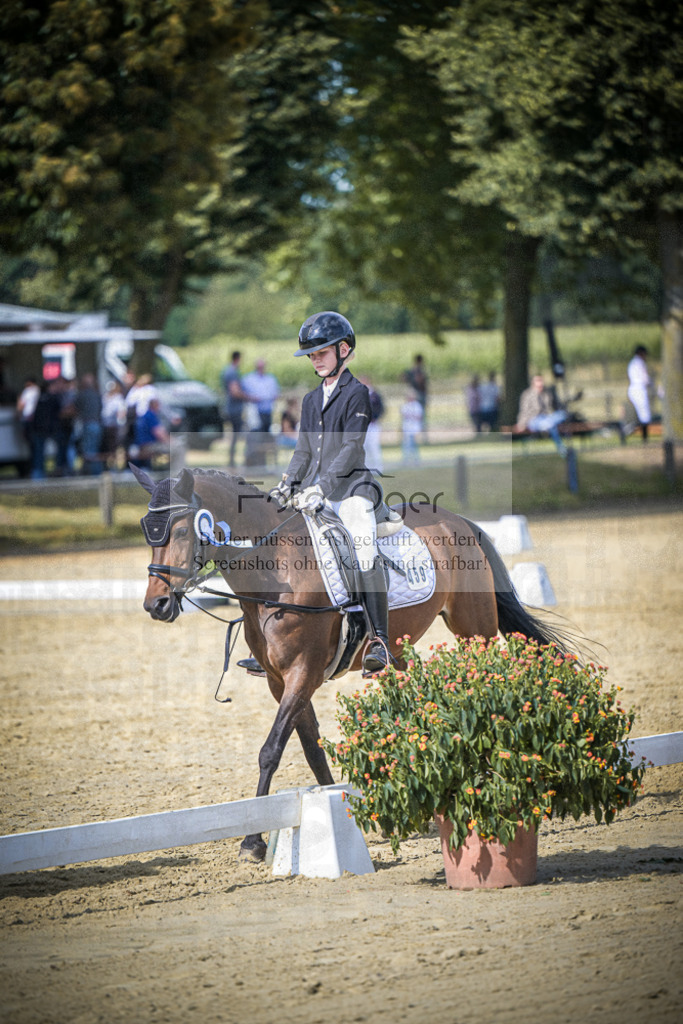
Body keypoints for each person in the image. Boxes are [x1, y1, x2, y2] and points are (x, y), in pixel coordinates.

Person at [269, 311, 394, 674]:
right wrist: (288, 484)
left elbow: (351, 448)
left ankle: (379, 640)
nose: (315, 359)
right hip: (314, 491)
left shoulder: (358, 394)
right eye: (311, 355)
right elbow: (304, 453)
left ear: (343, 350)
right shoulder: (310, 401)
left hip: (353, 488)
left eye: (321, 352)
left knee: (361, 538)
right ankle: (275, 641)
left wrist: (322, 487)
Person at [516, 374, 569, 455]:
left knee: (562, 415)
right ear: (533, 383)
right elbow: (524, 411)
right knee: (552, 425)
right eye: (538, 381)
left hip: (547, 418)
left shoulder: (547, 393)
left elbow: (557, 406)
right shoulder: (527, 394)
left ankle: (547, 424)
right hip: (534, 419)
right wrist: (521, 423)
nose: (540, 383)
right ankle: (560, 447)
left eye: (541, 381)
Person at [221, 351, 249, 468]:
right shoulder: (232, 372)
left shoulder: (226, 370)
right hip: (234, 409)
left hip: (230, 408)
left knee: (235, 435)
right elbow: (235, 392)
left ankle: (232, 460)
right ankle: (233, 461)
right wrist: (249, 397)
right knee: (239, 434)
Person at [242, 359, 280, 434]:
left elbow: (276, 393)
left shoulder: (271, 379)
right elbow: (242, 394)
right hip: (254, 411)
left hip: (268, 410)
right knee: (256, 432)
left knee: (266, 432)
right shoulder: (248, 379)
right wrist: (252, 398)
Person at [75, 374, 103, 475]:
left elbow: (74, 408)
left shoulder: (82, 395)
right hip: (97, 425)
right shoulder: (97, 394)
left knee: (89, 452)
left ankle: (94, 475)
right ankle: (95, 473)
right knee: (94, 450)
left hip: (87, 424)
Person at [131, 396, 170, 468]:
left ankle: (166, 470)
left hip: (141, 445)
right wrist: (171, 442)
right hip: (148, 446)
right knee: (178, 448)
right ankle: (176, 473)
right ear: (155, 405)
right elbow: (159, 434)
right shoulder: (151, 416)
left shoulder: (144, 415)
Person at [626, 345, 652, 441]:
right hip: (639, 389)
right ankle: (644, 438)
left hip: (633, 388)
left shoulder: (632, 363)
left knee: (641, 414)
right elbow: (645, 379)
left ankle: (642, 436)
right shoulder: (640, 363)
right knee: (644, 415)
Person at [360, 376, 384, 474]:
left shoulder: (375, 395)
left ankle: (378, 467)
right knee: (364, 447)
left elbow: (381, 408)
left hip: (372, 425)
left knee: (374, 446)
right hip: (362, 425)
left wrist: (374, 417)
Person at [403, 354, 428, 437]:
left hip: (417, 394)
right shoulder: (417, 371)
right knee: (418, 415)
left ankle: (419, 435)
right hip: (418, 394)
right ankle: (419, 435)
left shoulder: (414, 370)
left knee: (418, 415)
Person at [401, 388, 424, 464]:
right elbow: (404, 415)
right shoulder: (405, 406)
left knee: (413, 445)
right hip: (407, 428)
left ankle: (416, 459)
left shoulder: (417, 405)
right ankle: (406, 459)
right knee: (406, 445)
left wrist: (412, 416)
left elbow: (419, 416)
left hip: (414, 428)